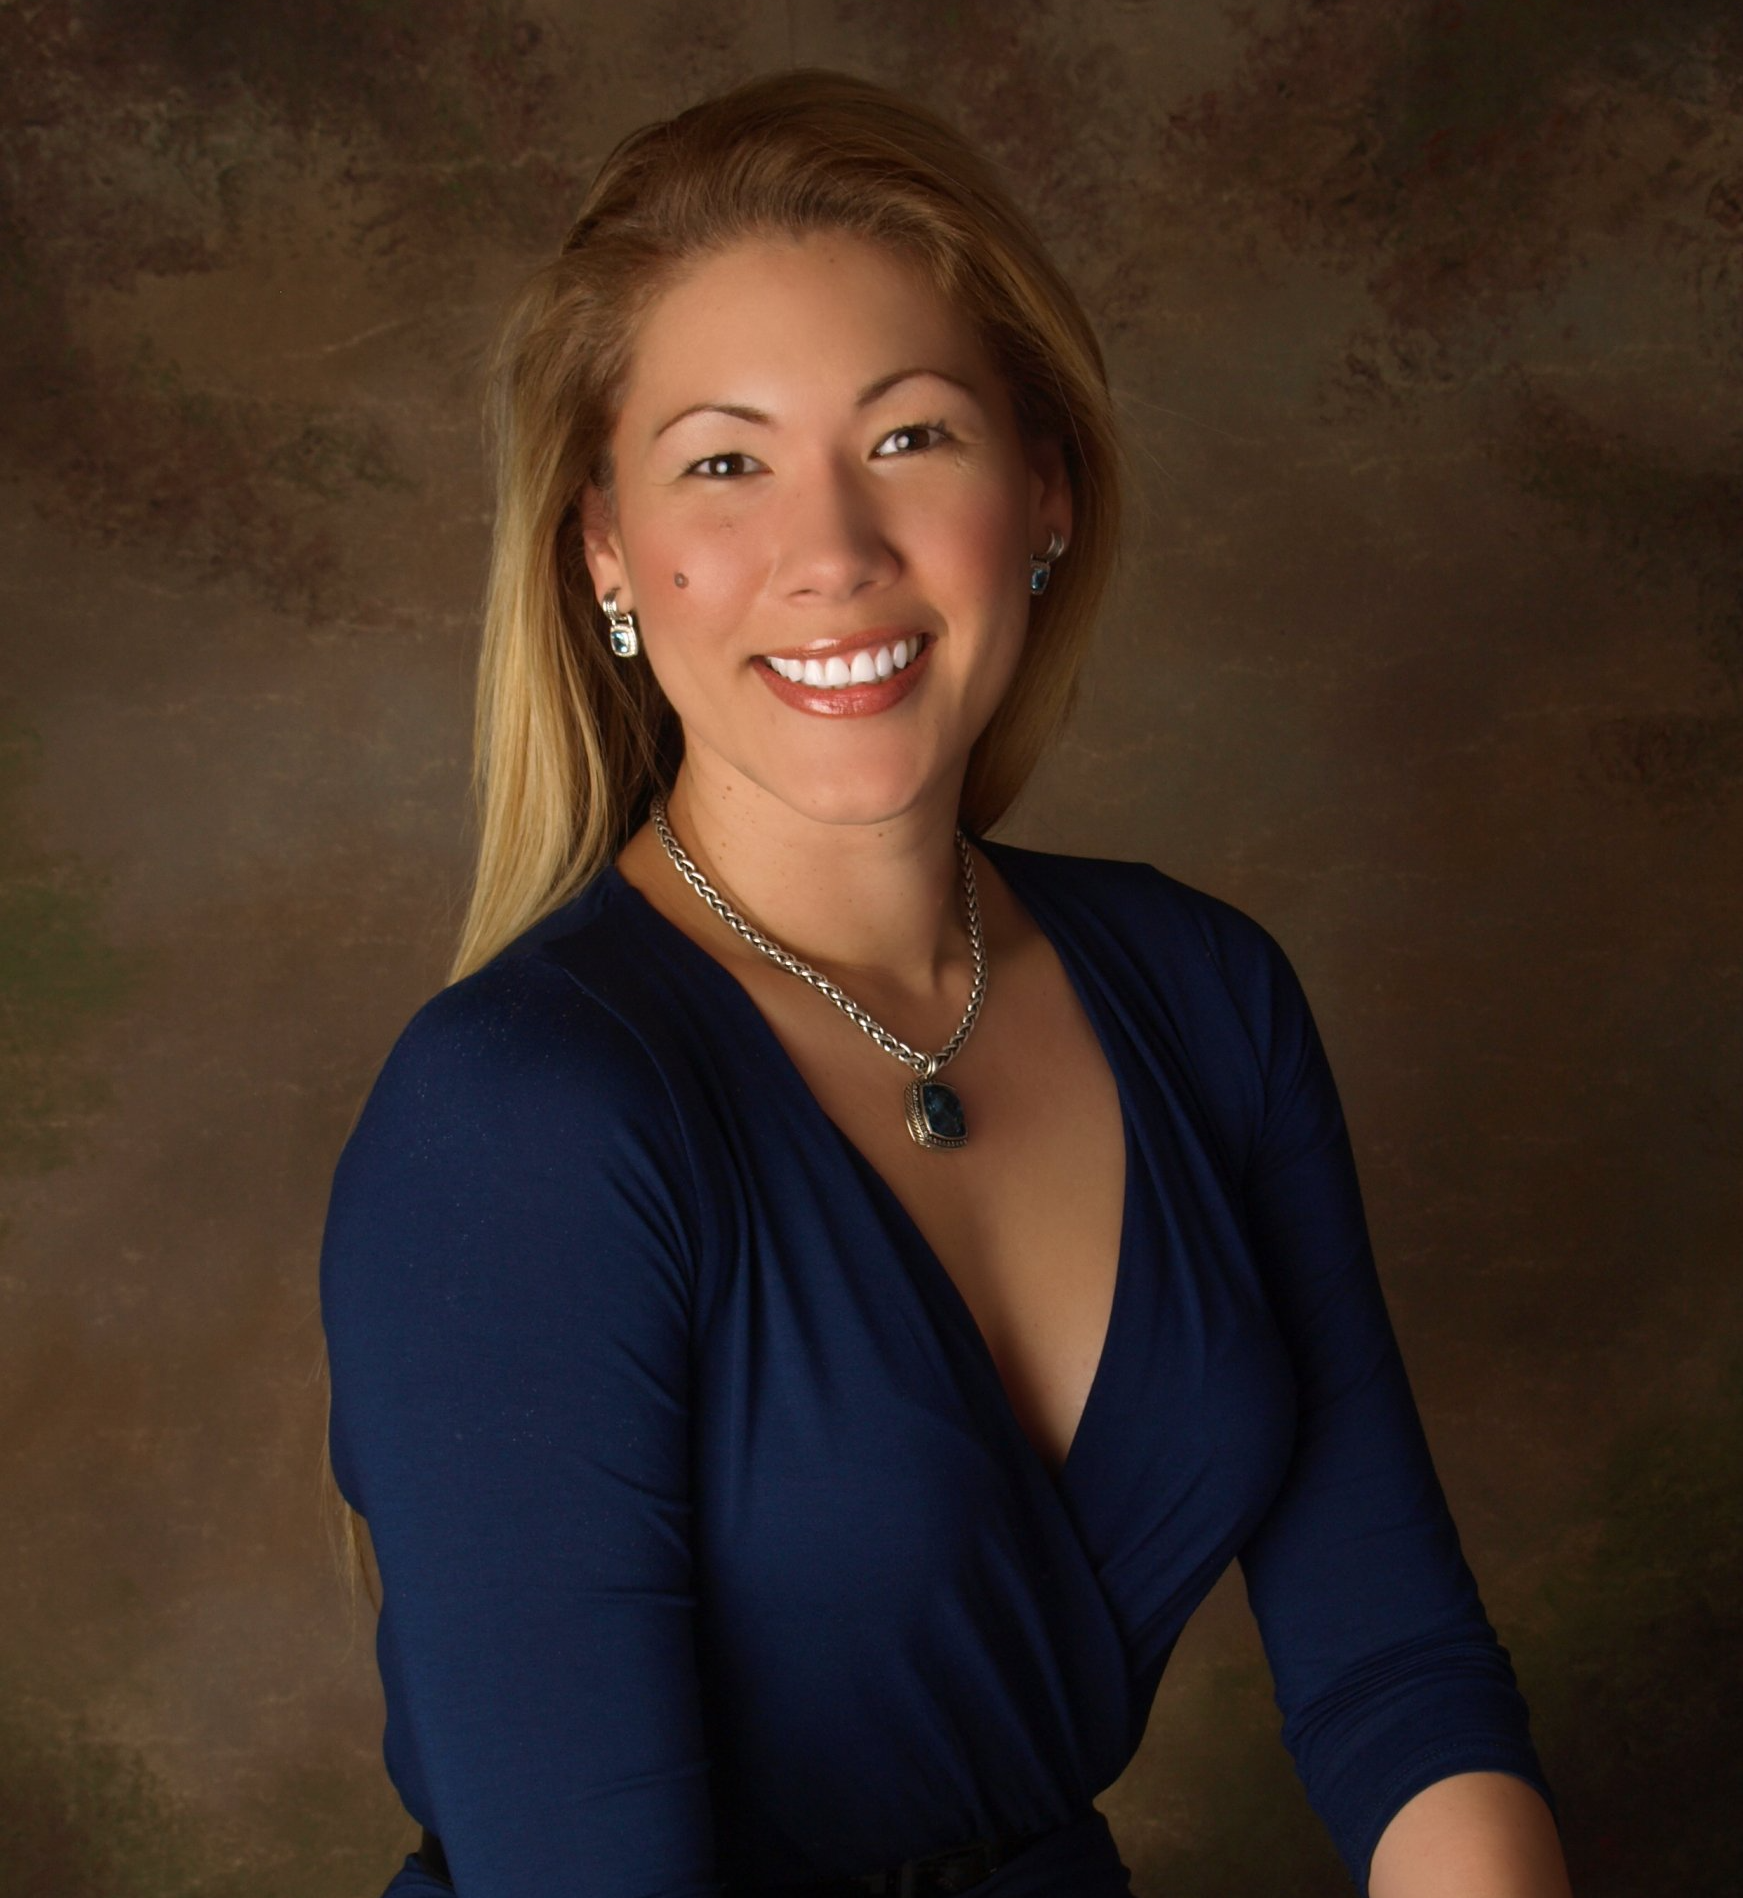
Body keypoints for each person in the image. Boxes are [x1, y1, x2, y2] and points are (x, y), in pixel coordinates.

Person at [317, 67, 1573, 1898]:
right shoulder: (520, 1117)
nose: (831, 553)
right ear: (606, 550)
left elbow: (1399, 1677)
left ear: (1044, 489)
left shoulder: (1210, 999)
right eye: (724, 463)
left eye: (909, 438)